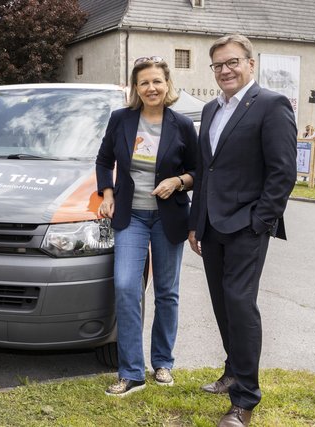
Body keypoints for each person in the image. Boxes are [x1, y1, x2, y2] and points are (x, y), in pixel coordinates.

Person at [188, 34, 297, 426]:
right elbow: (206, 171)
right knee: (221, 303)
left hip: (247, 225)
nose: (225, 70)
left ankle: (245, 400)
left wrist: (261, 222)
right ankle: (233, 369)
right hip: (212, 225)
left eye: (232, 62)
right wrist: (195, 223)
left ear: (251, 64)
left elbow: (283, 171)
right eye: (218, 65)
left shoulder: (270, 104)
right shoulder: (211, 109)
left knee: (239, 303)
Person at [96, 56, 197, 396]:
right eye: (144, 83)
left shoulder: (182, 125)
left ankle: (163, 362)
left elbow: (198, 171)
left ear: (167, 85)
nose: (151, 88)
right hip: (131, 216)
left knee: (167, 292)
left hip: (169, 217)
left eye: (157, 81)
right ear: (135, 88)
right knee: (126, 287)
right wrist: (107, 194)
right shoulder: (121, 119)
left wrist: (178, 181)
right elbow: (103, 159)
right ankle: (131, 372)